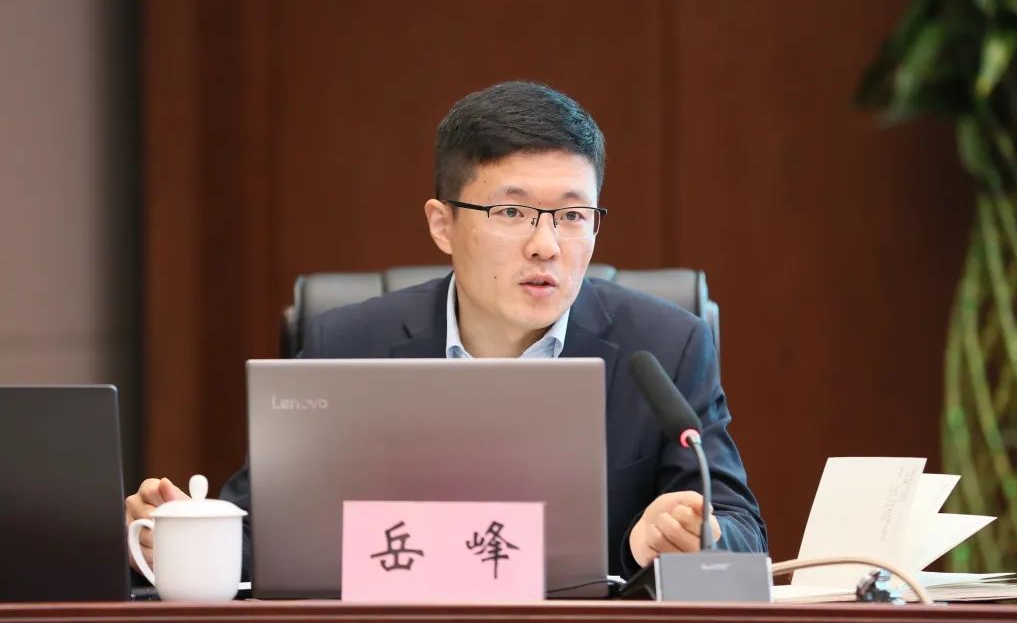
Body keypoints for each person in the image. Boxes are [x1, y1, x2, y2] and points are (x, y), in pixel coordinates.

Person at [126, 80, 767, 582]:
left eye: (573, 215)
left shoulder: (664, 347)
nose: (546, 245)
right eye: (512, 211)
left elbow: (742, 532)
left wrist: (696, 535)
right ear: (442, 224)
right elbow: (259, 536)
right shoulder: (347, 347)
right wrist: (173, 534)